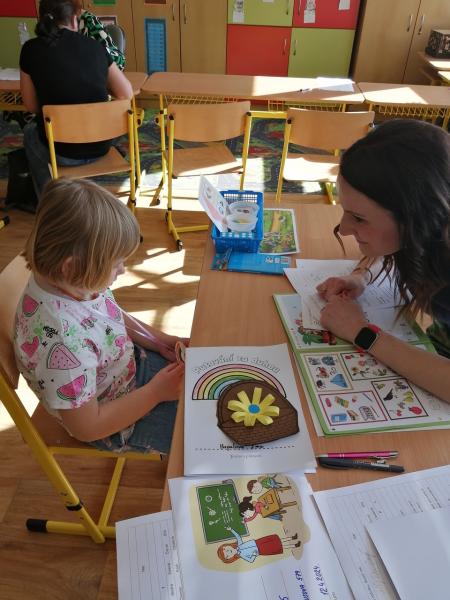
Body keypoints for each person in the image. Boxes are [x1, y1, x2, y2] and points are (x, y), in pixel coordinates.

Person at [14, 178, 185, 453]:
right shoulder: (64, 344)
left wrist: (158, 339)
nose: (123, 270)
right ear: (72, 267)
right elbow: (87, 428)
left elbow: (106, 315)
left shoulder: (70, 282)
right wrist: (155, 393)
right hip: (115, 423)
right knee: (200, 436)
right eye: (117, 264)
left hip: (127, 369)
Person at [316, 119, 450, 402]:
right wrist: (361, 275)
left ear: (415, 219)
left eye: (359, 218)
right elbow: (387, 245)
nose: (344, 229)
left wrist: (363, 333)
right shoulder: (432, 224)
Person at [19, 0, 133, 196]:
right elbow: (126, 94)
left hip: (60, 151)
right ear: (74, 19)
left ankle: (48, 198)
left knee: (30, 132)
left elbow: (31, 106)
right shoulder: (95, 46)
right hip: (101, 144)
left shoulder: (30, 49)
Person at [217, 528, 300, 564]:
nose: (228, 551)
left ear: (227, 546)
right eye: (227, 555)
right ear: (230, 558)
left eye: (226, 549)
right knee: (277, 546)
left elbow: (238, 537)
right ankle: (294, 545)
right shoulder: (242, 555)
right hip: (260, 550)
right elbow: (251, 560)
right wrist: (254, 554)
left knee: (275, 540)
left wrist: (231, 530)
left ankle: (292, 538)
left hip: (258, 542)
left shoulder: (239, 545)